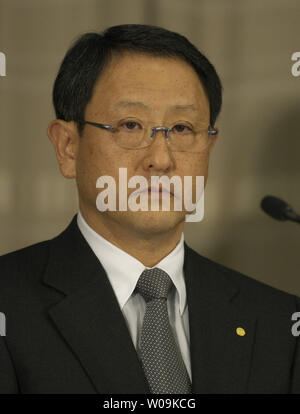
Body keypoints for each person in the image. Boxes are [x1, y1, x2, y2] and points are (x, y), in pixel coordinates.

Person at [0, 24, 299, 394]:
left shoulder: (280, 323)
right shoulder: (9, 306)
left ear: (210, 145)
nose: (160, 159)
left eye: (181, 128)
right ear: (68, 147)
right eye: (130, 125)